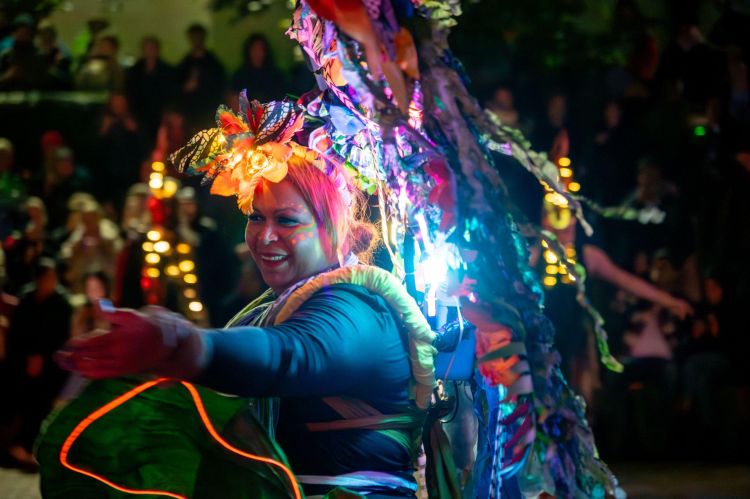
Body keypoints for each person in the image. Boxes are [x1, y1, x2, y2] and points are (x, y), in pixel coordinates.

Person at [42, 98, 436, 498]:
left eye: (286, 220)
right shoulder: (278, 305)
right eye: (255, 217)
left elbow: (289, 354)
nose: (265, 236)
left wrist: (183, 343)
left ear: (333, 227)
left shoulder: (357, 308)